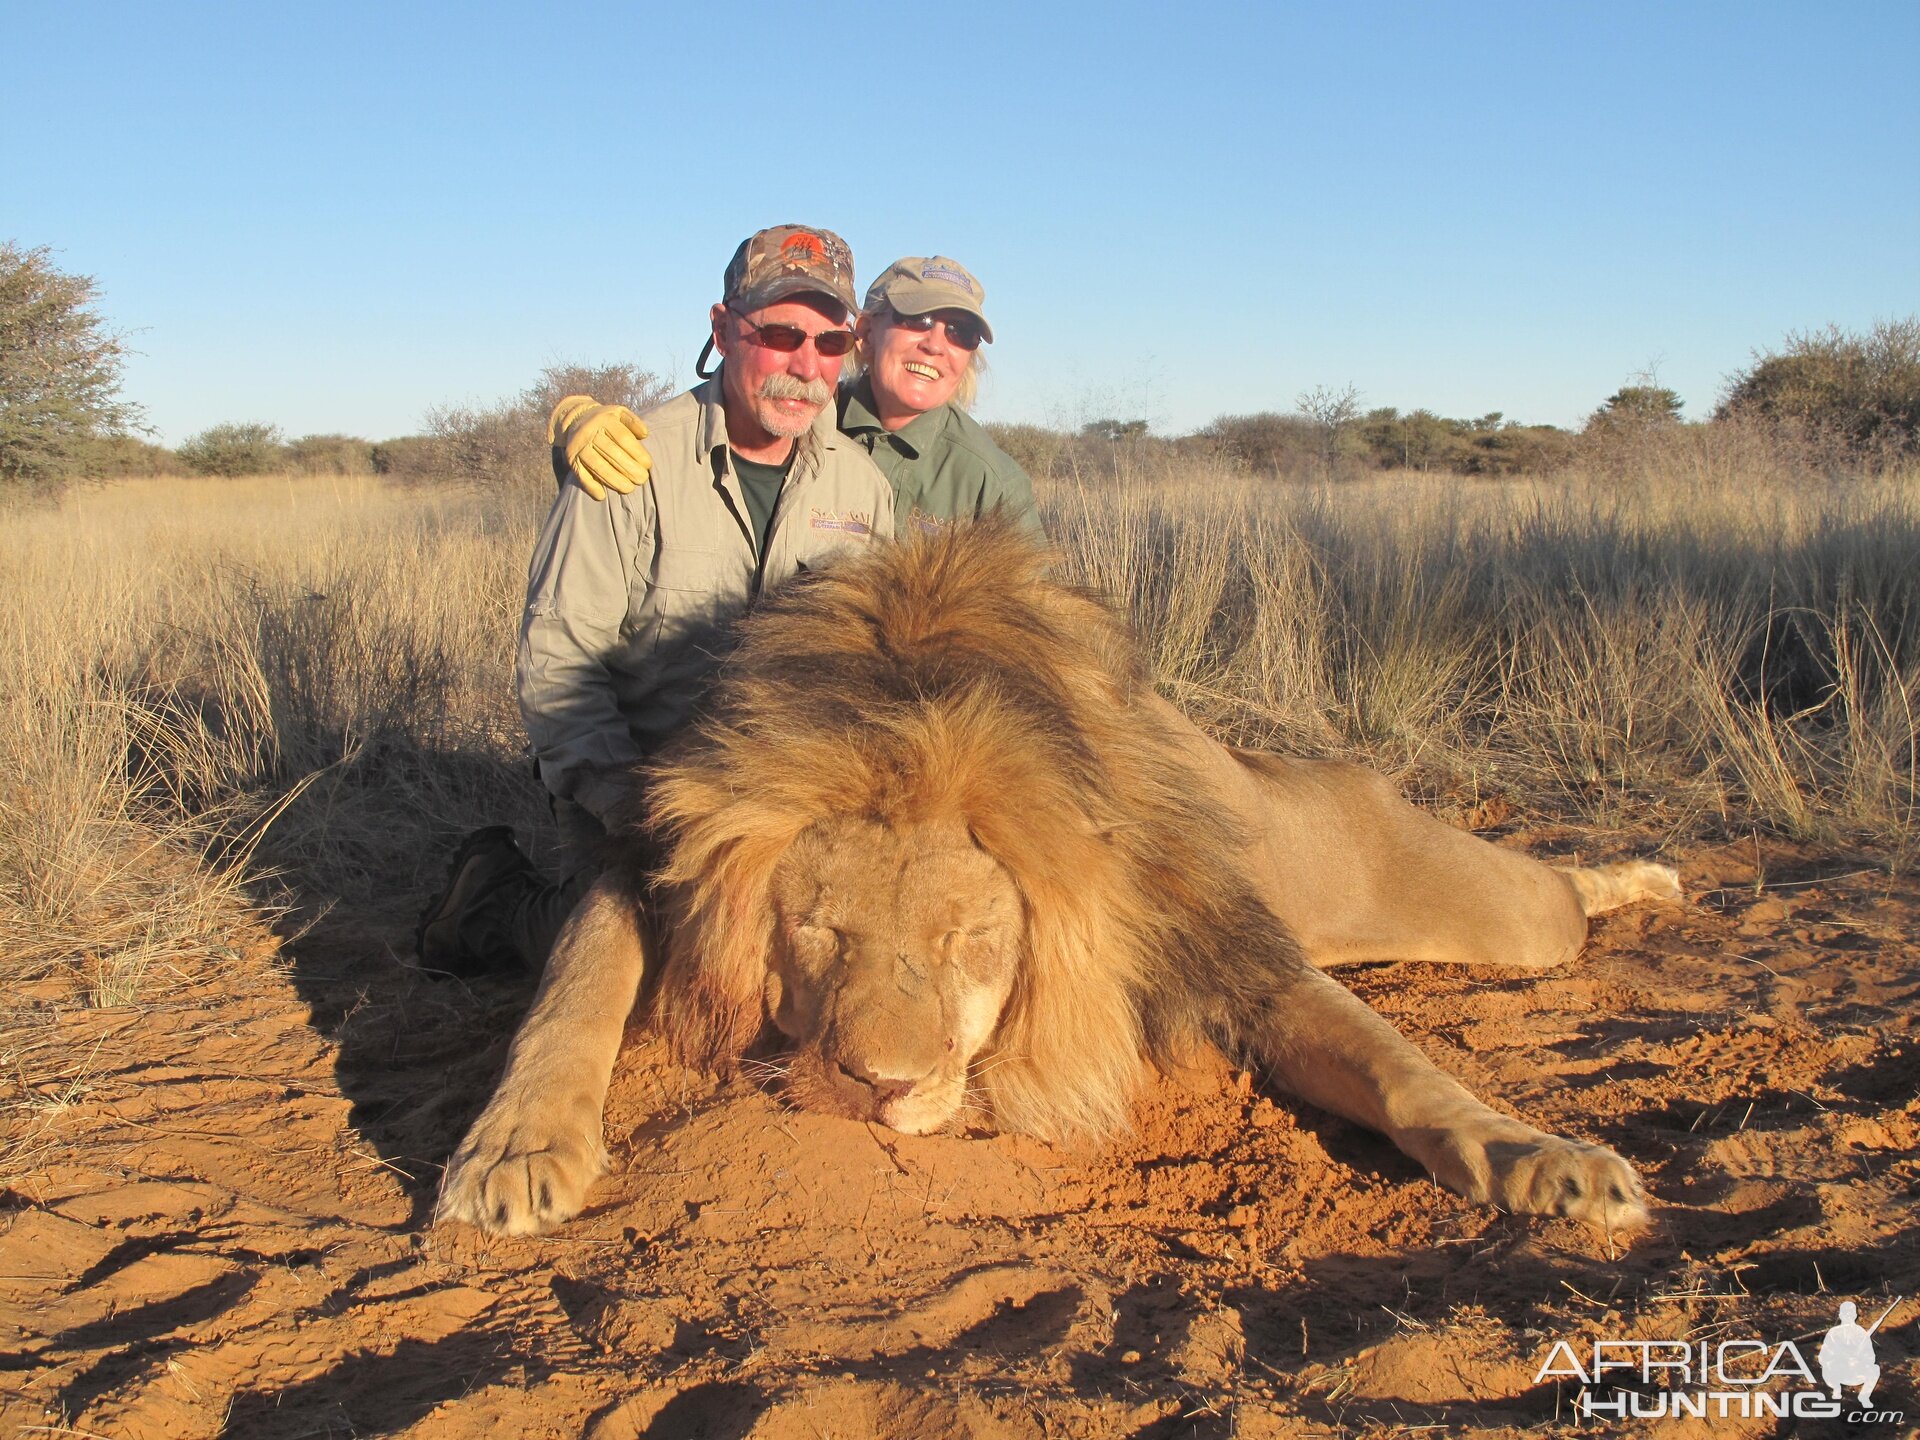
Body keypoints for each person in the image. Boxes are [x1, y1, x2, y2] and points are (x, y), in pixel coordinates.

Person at [415, 224, 894, 975]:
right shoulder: (629, 461)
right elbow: (557, 663)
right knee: (669, 962)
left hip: (784, 806)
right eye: (779, 333)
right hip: (641, 794)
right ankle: (493, 902)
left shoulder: (862, 488)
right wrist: (635, 811)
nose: (805, 365)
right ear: (724, 329)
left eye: (830, 344)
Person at [554, 255, 1043, 542]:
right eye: (916, 320)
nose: (936, 344)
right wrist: (576, 427)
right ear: (865, 334)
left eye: (960, 333)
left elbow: (1033, 637)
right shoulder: (800, 409)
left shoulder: (992, 483)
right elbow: (686, 448)